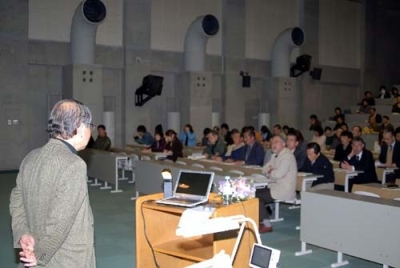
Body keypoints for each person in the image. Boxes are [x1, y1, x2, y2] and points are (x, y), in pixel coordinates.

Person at [10, 99, 96, 268]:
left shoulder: (31, 157)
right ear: (79, 127)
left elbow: (16, 199)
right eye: (90, 126)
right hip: (66, 260)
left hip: (35, 249)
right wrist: (40, 255)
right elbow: (61, 220)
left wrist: (23, 233)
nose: (90, 132)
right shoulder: (74, 164)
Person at [256, 135, 297, 233]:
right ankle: (261, 219)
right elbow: (264, 169)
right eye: (272, 142)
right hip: (275, 186)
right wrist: (271, 171)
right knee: (252, 192)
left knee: (257, 196)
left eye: (276, 142)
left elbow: (278, 174)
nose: (273, 145)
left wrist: (270, 171)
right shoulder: (274, 155)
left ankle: (267, 225)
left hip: (284, 189)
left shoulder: (287, 156)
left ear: (283, 144)